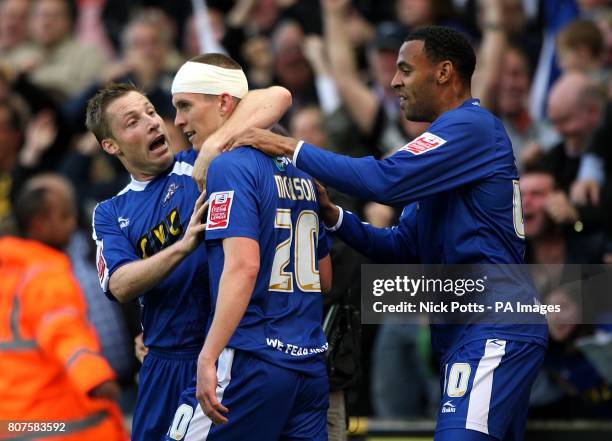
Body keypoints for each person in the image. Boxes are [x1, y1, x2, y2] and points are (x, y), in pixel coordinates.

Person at [209, 26, 549, 441]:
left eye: (406, 69)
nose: (394, 81)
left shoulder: (471, 127)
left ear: (443, 72)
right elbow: (401, 245)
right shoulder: (448, 149)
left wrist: (291, 148)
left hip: (494, 322)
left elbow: (384, 181)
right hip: (466, 326)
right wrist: (335, 217)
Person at [86, 81, 290, 441]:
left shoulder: (202, 166)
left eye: (151, 111)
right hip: (161, 363)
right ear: (110, 145)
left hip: (223, 354)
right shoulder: (110, 211)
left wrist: (214, 144)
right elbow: (118, 284)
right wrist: (183, 245)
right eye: (133, 121)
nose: (152, 122)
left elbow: (276, 97)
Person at [165, 53, 332, 441]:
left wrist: (208, 355)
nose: (178, 121)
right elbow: (324, 278)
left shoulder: (228, 166)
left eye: (185, 106)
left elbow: (243, 267)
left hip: (250, 359)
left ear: (223, 103)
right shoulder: (299, 168)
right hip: (308, 367)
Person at [0, 177, 127, 441]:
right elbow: (61, 330)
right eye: (66, 216)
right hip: (60, 423)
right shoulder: (44, 275)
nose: (73, 224)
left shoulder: (9, 273)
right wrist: (95, 376)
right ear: (39, 223)